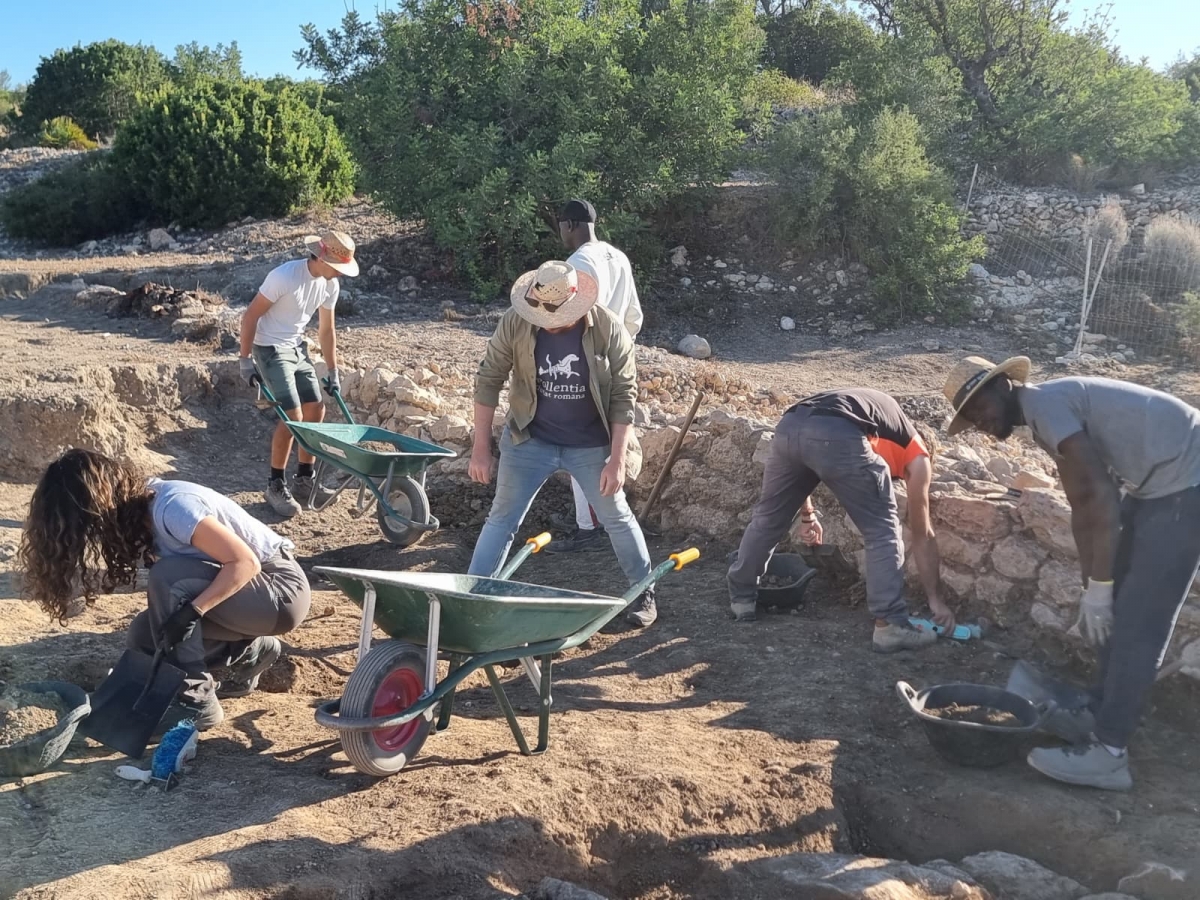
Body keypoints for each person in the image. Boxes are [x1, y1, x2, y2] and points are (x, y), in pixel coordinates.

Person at [944, 356, 1200, 791]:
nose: (979, 422)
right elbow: (1083, 507)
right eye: (969, 417)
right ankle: (1099, 711)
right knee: (1117, 604)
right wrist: (1093, 589)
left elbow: (1100, 495)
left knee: (1140, 622)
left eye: (980, 407)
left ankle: (1109, 752)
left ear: (1005, 386)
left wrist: (1100, 588)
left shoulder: (1046, 403)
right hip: (1159, 484)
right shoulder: (1048, 417)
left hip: (1187, 483)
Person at [18, 449, 312, 731]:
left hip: (280, 592)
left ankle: (198, 703)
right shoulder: (138, 512)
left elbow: (245, 563)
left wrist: (193, 611)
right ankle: (251, 653)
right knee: (145, 635)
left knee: (168, 578)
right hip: (250, 603)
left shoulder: (173, 508)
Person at [467, 260, 657, 626]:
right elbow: (488, 378)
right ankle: (471, 595)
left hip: (590, 444)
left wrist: (616, 460)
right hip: (529, 438)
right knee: (502, 518)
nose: (547, 322)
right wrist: (480, 448)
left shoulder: (606, 328)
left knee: (616, 515)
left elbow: (623, 396)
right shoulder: (517, 321)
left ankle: (643, 591)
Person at [727, 389, 953, 652]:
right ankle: (891, 625)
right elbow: (922, 533)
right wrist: (936, 600)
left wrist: (808, 515)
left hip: (791, 425)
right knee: (882, 530)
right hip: (836, 430)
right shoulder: (918, 454)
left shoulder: (878, 417)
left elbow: (807, 456)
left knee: (767, 518)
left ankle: (742, 598)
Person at [546, 199, 644, 554]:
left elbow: (570, 318)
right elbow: (633, 318)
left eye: (560, 225)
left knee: (578, 445)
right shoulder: (618, 257)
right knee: (605, 447)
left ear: (569, 225)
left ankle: (591, 527)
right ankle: (606, 519)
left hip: (588, 365)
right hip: (618, 363)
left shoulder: (576, 264)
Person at [239, 230, 359, 517]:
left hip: (297, 348)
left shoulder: (329, 285)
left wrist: (332, 369)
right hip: (269, 348)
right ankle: (275, 485)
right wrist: (244, 359)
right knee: (293, 418)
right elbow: (251, 315)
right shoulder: (284, 277)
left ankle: (305, 480)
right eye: (337, 268)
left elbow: (327, 330)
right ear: (321, 257)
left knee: (315, 410)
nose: (340, 275)